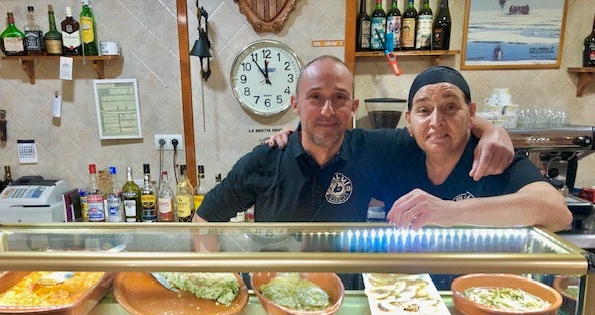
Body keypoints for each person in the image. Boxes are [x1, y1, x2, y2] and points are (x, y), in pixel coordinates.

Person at [194, 55, 513, 224]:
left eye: (340, 98)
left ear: (354, 107)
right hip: (272, 297)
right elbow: (204, 220)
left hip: (345, 302)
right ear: (295, 104)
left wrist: (489, 129)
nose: (327, 110)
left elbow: (431, 126)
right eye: (315, 97)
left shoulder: (373, 148)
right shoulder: (264, 159)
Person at [382, 65, 572, 232]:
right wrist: (488, 127)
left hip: (481, 273)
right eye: (424, 110)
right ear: (409, 120)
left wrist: (450, 212)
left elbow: (558, 212)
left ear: (471, 113)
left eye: (450, 107)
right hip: (408, 273)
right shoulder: (396, 150)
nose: (436, 122)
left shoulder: (494, 155)